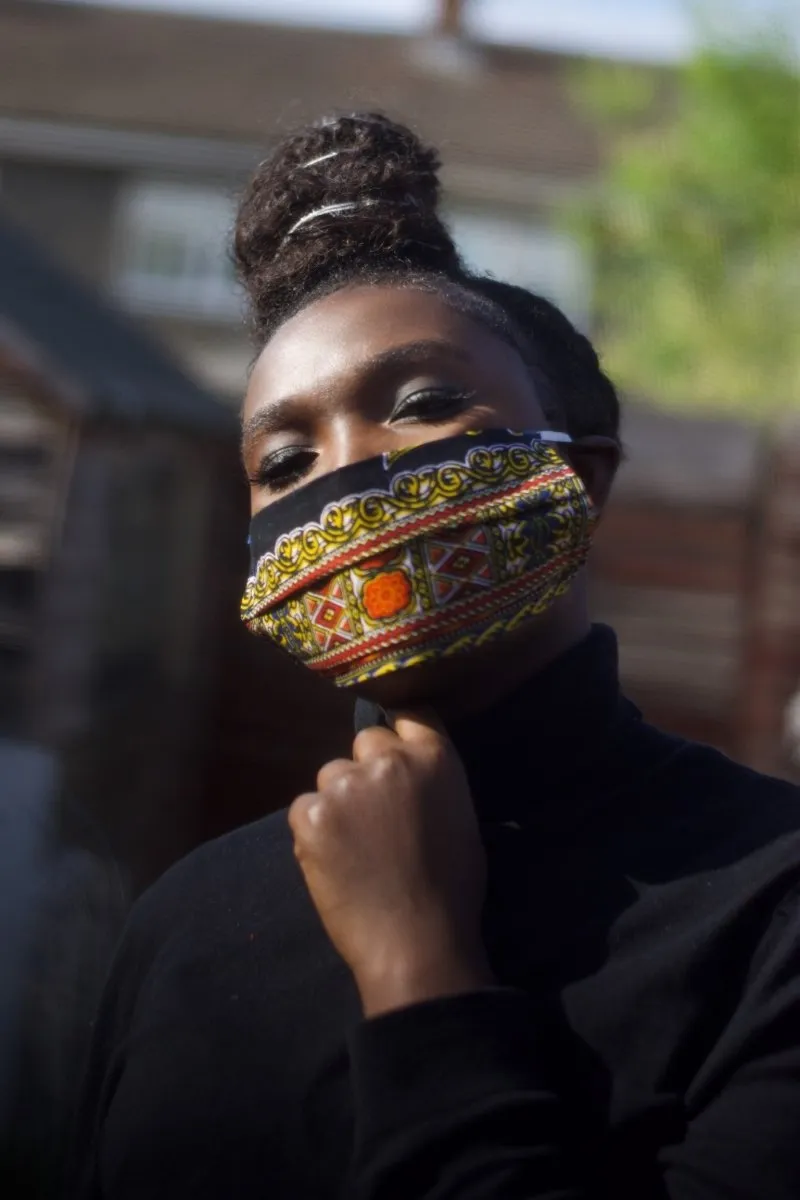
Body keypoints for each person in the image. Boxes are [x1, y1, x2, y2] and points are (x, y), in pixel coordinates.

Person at [67, 113, 800, 1200]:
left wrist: (418, 970)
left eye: (419, 403)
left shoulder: (766, 902)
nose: (342, 476)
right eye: (282, 459)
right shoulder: (184, 922)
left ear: (577, 480)